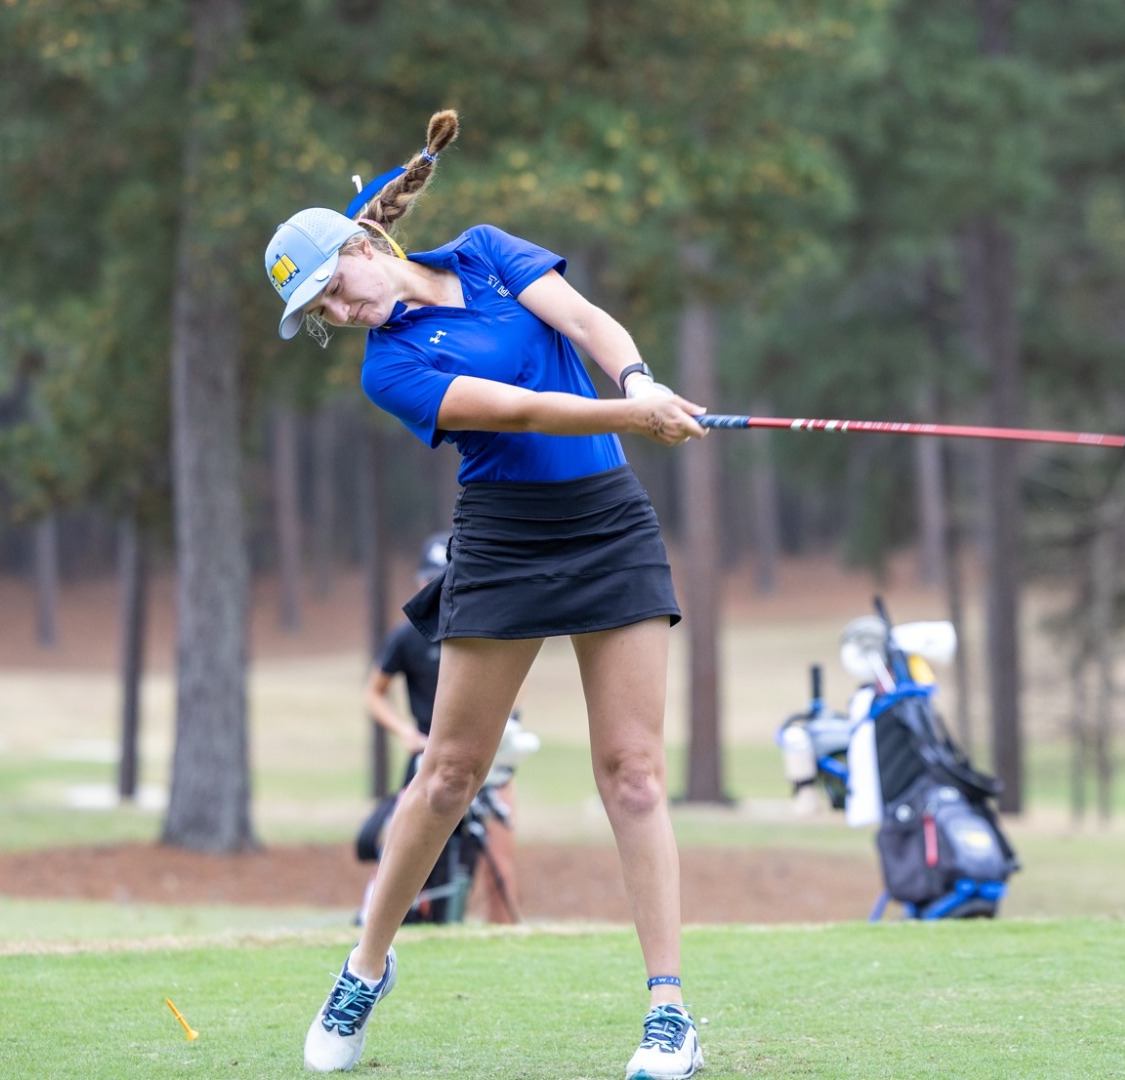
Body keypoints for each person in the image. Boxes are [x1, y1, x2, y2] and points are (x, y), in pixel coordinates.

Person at [264, 110, 708, 1079]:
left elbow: (587, 325)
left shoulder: (488, 253)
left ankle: (669, 1014)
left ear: (365, 243)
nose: (341, 314)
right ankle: (364, 969)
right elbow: (519, 410)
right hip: (506, 539)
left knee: (632, 769)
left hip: (608, 524)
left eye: (334, 288)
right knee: (450, 775)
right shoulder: (391, 368)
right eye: (323, 316)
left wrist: (638, 376)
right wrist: (632, 412)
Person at [363, 531, 518, 925]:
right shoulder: (406, 638)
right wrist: (403, 732)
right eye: (430, 579)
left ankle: (498, 937)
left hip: (488, 759)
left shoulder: (481, 634)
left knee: (498, 860)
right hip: (428, 759)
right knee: (413, 850)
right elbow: (374, 694)